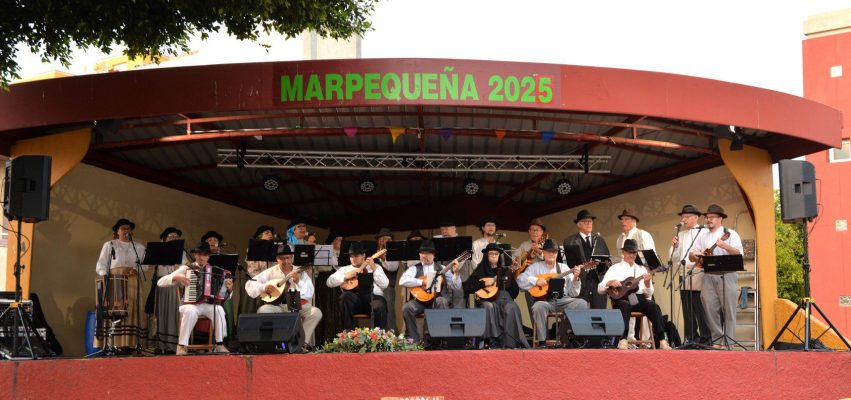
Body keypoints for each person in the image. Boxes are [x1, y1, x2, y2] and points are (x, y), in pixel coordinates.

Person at [157, 242, 233, 355]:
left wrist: (230, 290)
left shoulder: (216, 271)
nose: (202, 257)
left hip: (208, 304)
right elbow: (160, 282)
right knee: (190, 311)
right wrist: (176, 277)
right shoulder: (186, 268)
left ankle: (220, 344)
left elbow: (222, 295)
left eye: (205, 255)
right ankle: (182, 345)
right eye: (199, 254)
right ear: (195, 255)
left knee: (219, 310)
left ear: (208, 257)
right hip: (190, 304)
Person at [598, 239, 671, 350]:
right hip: (622, 300)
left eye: (634, 253)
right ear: (623, 252)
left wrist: (647, 283)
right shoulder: (614, 268)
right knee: (624, 305)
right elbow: (600, 288)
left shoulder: (641, 269)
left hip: (639, 299)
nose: (632, 255)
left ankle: (662, 339)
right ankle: (623, 339)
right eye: (629, 252)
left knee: (653, 305)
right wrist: (610, 282)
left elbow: (648, 294)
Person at [245, 243, 323, 347]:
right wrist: (263, 288)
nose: (286, 261)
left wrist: (298, 281)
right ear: (277, 259)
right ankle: (278, 342)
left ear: (291, 258)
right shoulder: (270, 272)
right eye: (282, 258)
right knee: (263, 310)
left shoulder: (300, 272)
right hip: (278, 305)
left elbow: (309, 292)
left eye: (288, 258)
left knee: (316, 313)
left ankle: (301, 342)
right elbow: (250, 283)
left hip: (296, 303)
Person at [689, 204, 743, 349]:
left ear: (720, 219)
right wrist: (694, 255)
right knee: (709, 308)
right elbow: (692, 255)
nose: (708, 219)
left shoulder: (730, 233)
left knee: (729, 310)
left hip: (727, 275)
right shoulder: (703, 235)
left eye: (712, 217)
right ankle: (717, 341)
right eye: (707, 217)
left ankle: (730, 343)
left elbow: (739, 254)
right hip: (708, 275)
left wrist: (725, 246)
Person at [518, 239, 588, 347]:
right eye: (549, 251)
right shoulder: (536, 267)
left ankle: (564, 337)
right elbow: (520, 279)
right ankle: (542, 341)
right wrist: (536, 281)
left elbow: (574, 293)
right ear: (544, 253)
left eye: (554, 252)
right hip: (545, 301)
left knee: (582, 303)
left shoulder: (563, 268)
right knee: (537, 306)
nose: (551, 254)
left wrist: (576, 278)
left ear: (557, 254)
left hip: (563, 299)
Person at [95, 218, 148, 350]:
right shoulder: (110, 244)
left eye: (128, 229)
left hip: (132, 279)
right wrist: (105, 277)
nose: (126, 231)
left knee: (132, 309)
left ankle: (131, 343)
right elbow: (101, 264)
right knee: (116, 309)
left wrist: (136, 270)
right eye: (123, 228)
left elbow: (145, 265)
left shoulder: (139, 247)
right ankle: (113, 343)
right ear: (117, 232)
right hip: (114, 280)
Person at [463, 243, 530, 349]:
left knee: (512, 307)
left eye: (496, 254)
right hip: (487, 300)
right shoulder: (480, 271)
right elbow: (466, 287)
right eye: (491, 254)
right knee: (488, 306)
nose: (494, 256)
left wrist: (509, 280)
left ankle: (511, 343)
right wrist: (483, 284)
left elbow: (514, 291)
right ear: (486, 256)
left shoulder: (505, 270)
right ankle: (491, 341)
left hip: (504, 298)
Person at [399, 240, 460, 343]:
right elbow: (402, 281)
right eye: (422, 253)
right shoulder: (414, 268)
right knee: (407, 307)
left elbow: (456, 286)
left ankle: (439, 340)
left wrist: (456, 273)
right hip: (420, 301)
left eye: (427, 253)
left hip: (436, 300)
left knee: (441, 301)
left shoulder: (442, 268)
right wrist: (421, 282)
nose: (424, 256)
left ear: (433, 255)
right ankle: (414, 340)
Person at [670, 204, 711, 345]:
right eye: (682, 217)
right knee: (687, 308)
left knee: (700, 306)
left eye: (687, 217)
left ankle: (706, 339)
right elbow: (673, 258)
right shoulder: (680, 235)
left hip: (699, 271)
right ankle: (691, 338)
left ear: (695, 217)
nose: (684, 219)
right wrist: (674, 246)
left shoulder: (704, 231)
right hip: (684, 271)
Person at [614, 208, 656, 341]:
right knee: (627, 305)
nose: (622, 222)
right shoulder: (620, 239)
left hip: (641, 275)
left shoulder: (643, 235)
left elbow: (651, 257)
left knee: (646, 304)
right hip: (625, 279)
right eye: (622, 219)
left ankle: (646, 339)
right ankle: (630, 338)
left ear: (633, 221)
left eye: (626, 219)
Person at [327, 242, 390, 330]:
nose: (353, 259)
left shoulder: (375, 267)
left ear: (363, 255)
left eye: (356, 256)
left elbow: (385, 284)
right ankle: (349, 334)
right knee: (345, 296)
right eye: (351, 256)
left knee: (380, 303)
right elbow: (329, 282)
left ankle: (379, 336)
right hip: (354, 302)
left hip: (372, 300)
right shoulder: (344, 269)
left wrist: (373, 267)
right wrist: (345, 277)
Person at [149, 226, 187, 353]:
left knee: (173, 315)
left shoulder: (182, 252)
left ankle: (171, 346)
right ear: (165, 239)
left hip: (175, 286)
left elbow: (186, 268)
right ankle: (159, 346)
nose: (174, 238)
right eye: (171, 236)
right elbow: (151, 265)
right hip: (161, 286)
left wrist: (178, 266)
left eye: (176, 237)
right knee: (159, 314)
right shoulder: (159, 250)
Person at [562, 209, 611, 309]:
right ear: (578, 225)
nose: (589, 224)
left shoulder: (599, 239)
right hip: (580, 282)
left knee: (599, 314)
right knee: (580, 315)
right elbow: (567, 265)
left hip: (598, 282)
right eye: (586, 222)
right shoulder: (569, 241)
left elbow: (607, 260)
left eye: (591, 221)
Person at [238, 226, 276, 317]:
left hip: (271, 282)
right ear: (260, 237)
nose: (270, 235)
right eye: (266, 233)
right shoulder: (253, 249)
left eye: (271, 233)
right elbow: (253, 270)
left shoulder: (275, 249)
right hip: (255, 281)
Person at [515, 218, 548, 318]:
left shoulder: (547, 243)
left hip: (543, 282)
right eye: (532, 230)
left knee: (543, 310)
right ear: (529, 231)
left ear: (542, 232)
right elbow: (515, 260)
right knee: (532, 311)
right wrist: (521, 262)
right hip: (528, 283)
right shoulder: (524, 245)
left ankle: (544, 333)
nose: (534, 232)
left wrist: (539, 251)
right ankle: (536, 333)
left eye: (537, 230)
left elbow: (550, 259)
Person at [433, 217, 468, 309]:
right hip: (442, 282)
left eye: (447, 229)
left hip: (458, 279)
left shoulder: (462, 243)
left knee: (458, 303)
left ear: (454, 229)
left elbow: (460, 264)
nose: (444, 232)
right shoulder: (437, 242)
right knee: (440, 301)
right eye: (442, 229)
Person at [375, 228, 401, 331]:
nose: (383, 241)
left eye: (386, 239)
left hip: (388, 288)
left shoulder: (394, 253)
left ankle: (391, 336)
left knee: (388, 312)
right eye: (381, 239)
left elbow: (393, 267)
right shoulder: (374, 252)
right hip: (374, 287)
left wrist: (383, 259)